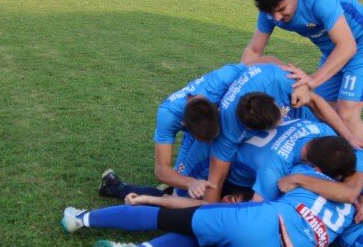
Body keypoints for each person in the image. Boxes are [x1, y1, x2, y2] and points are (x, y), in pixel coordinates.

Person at [62, 136, 359, 247]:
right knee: (207, 234)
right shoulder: (352, 202)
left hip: (263, 222)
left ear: (319, 170)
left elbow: (281, 183)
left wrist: (152, 198)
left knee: (171, 214)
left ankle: (82, 218)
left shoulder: (306, 173)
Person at [245, 0, 363, 144]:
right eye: (271, 13)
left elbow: (348, 46)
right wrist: (239, 81)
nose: (277, 18)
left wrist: (311, 81)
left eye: (281, 9)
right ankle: (338, 162)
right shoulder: (270, 12)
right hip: (333, 52)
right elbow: (254, 50)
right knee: (321, 112)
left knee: (346, 113)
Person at [203, 63, 363, 204]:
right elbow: (215, 181)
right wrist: (206, 220)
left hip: (294, 138)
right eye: (278, 122)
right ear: (254, 130)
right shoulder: (228, 135)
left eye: (281, 113)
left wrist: (349, 136)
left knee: (334, 155)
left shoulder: (276, 79)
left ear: (272, 99)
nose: (283, 120)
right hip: (261, 166)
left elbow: (315, 100)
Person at [99, 63, 251, 201]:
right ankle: (117, 187)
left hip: (212, 124)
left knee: (195, 184)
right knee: (180, 193)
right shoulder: (168, 115)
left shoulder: (223, 79)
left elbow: (256, 67)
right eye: (206, 140)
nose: (212, 143)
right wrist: (190, 183)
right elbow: (161, 170)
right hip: (193, 135)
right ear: (184, 126)